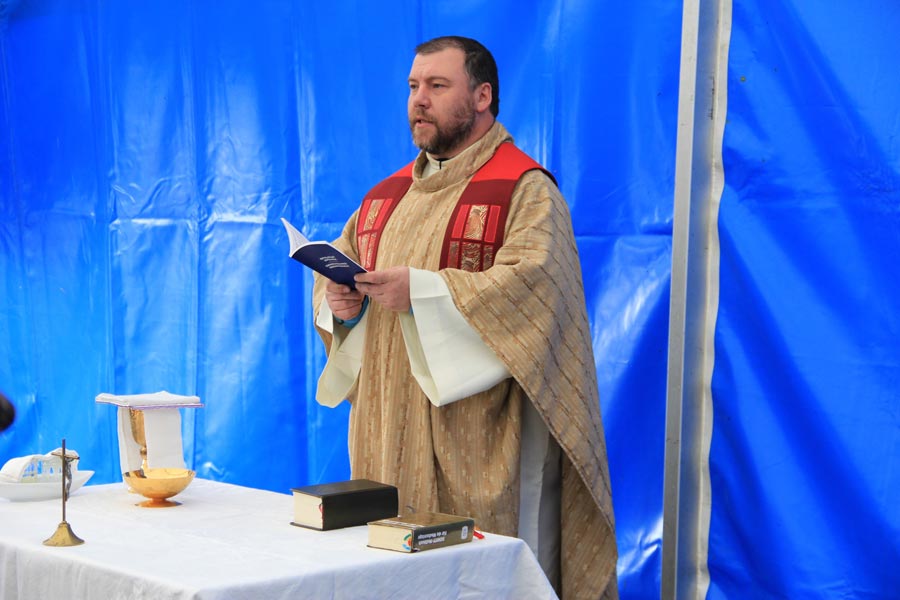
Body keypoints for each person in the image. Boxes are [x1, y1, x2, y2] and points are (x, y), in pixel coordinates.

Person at [312, 35, 617, 599]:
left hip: (477, 438)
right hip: (386, 428)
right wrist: (340, 304)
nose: (418, 100)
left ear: (482, 96)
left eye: (437, 85)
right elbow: (341, 267)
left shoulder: (524, 191)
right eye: (413, 86)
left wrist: (425, 293)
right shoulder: (385, 198)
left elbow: (536, 291)